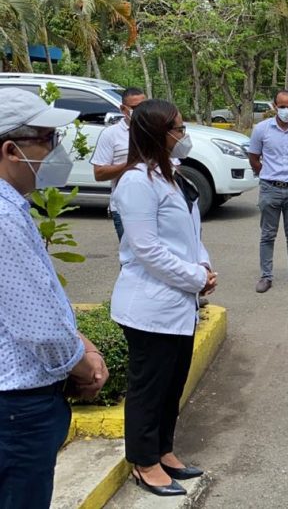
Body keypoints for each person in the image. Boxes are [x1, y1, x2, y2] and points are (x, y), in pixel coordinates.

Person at [0, 88, 109, 508]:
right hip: (18, 412)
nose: (57, 150)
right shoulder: (6, 218)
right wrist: (85, 366)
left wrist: (77, 340)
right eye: (48, 139)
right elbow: (40, 330)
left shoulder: (15, 207)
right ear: (11, 149)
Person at [111, 99, 217, 497]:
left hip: (178, 304)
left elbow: (190, 236)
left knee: (172, 385)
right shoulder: (136, 181)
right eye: (178, 129)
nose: (184, 135)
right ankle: (143, 461)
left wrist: (203, 268)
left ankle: (164, 450)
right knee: (149, 388)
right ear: (158, 134)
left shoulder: (171, 176)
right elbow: (146, 248)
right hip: (148, 308)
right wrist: (195, 277)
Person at [248, 90, 288, 293]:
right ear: (274, 106)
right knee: (267, 235)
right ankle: (266, 276)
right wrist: (265, 175)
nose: (286, 110)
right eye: (282, 106)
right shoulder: (261, 129)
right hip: (270, 188)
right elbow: (253, 156)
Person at [90, 87, 147, 240]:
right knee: (131, 260)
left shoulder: (156, 131)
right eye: (135, 108)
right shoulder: (111, 134)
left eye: (144, 107)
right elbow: (99, 173)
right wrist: (130, 163)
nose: (141, 112)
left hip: (156, 207)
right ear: (123, 109)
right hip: (125, 210)